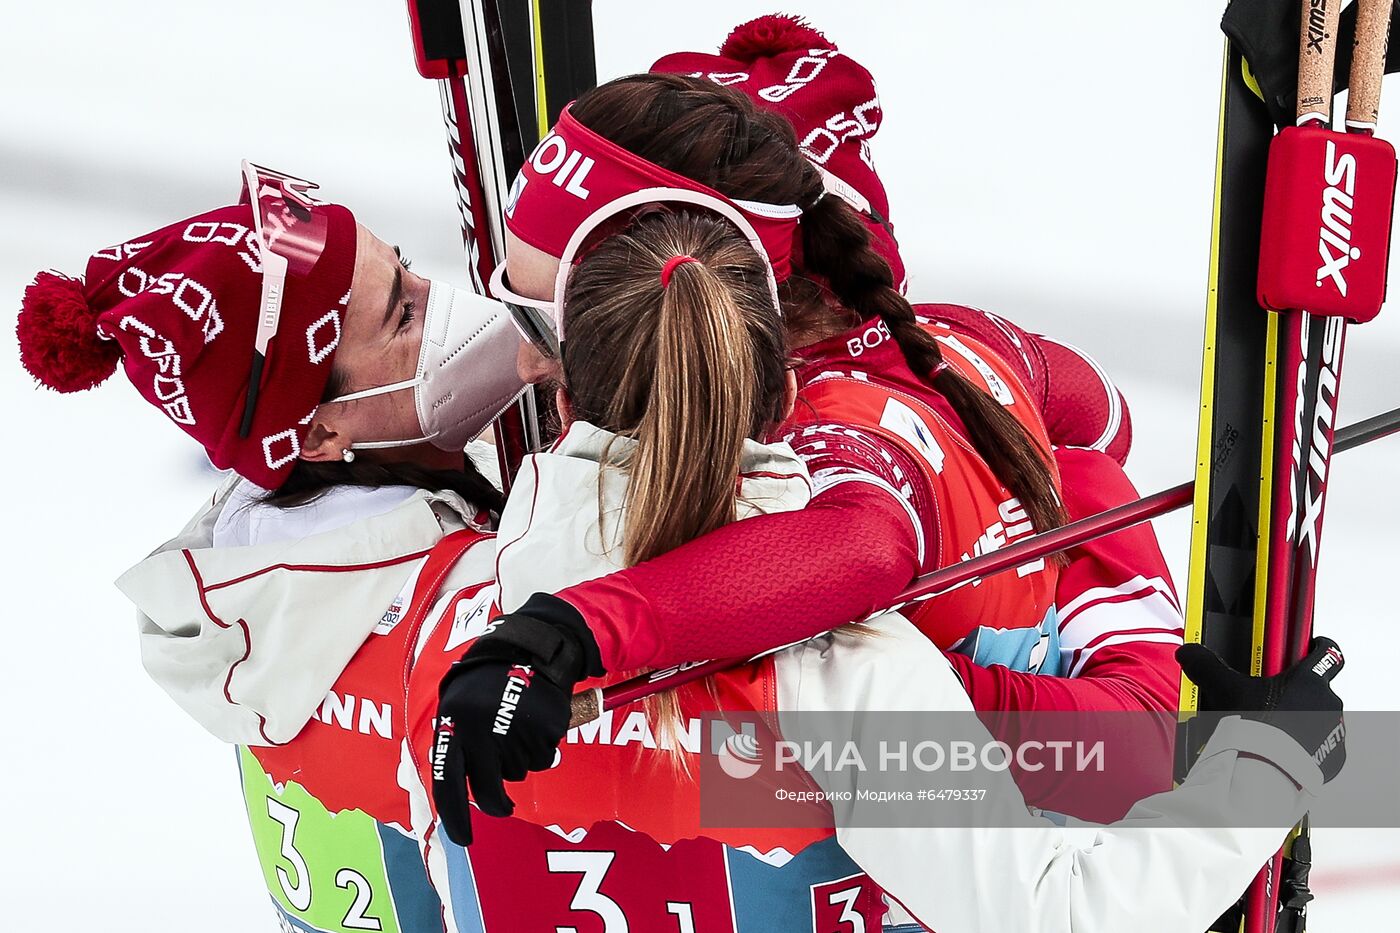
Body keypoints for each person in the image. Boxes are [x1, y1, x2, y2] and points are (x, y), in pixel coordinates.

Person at [18, 169, 1347, 933]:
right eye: (403, 308)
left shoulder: (298, 630)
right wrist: (1263, 763)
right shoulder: (815, 644)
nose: (455, 313)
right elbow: (1062, 890)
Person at [441, 51, 1185, 822]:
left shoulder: (816, 434)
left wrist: (577, 628)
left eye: (542, 323)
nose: (528, 359)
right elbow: (1104, 416)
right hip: (1110, 735)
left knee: (782, 739)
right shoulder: (942, 337)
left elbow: (866, 545)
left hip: (1079, 772)